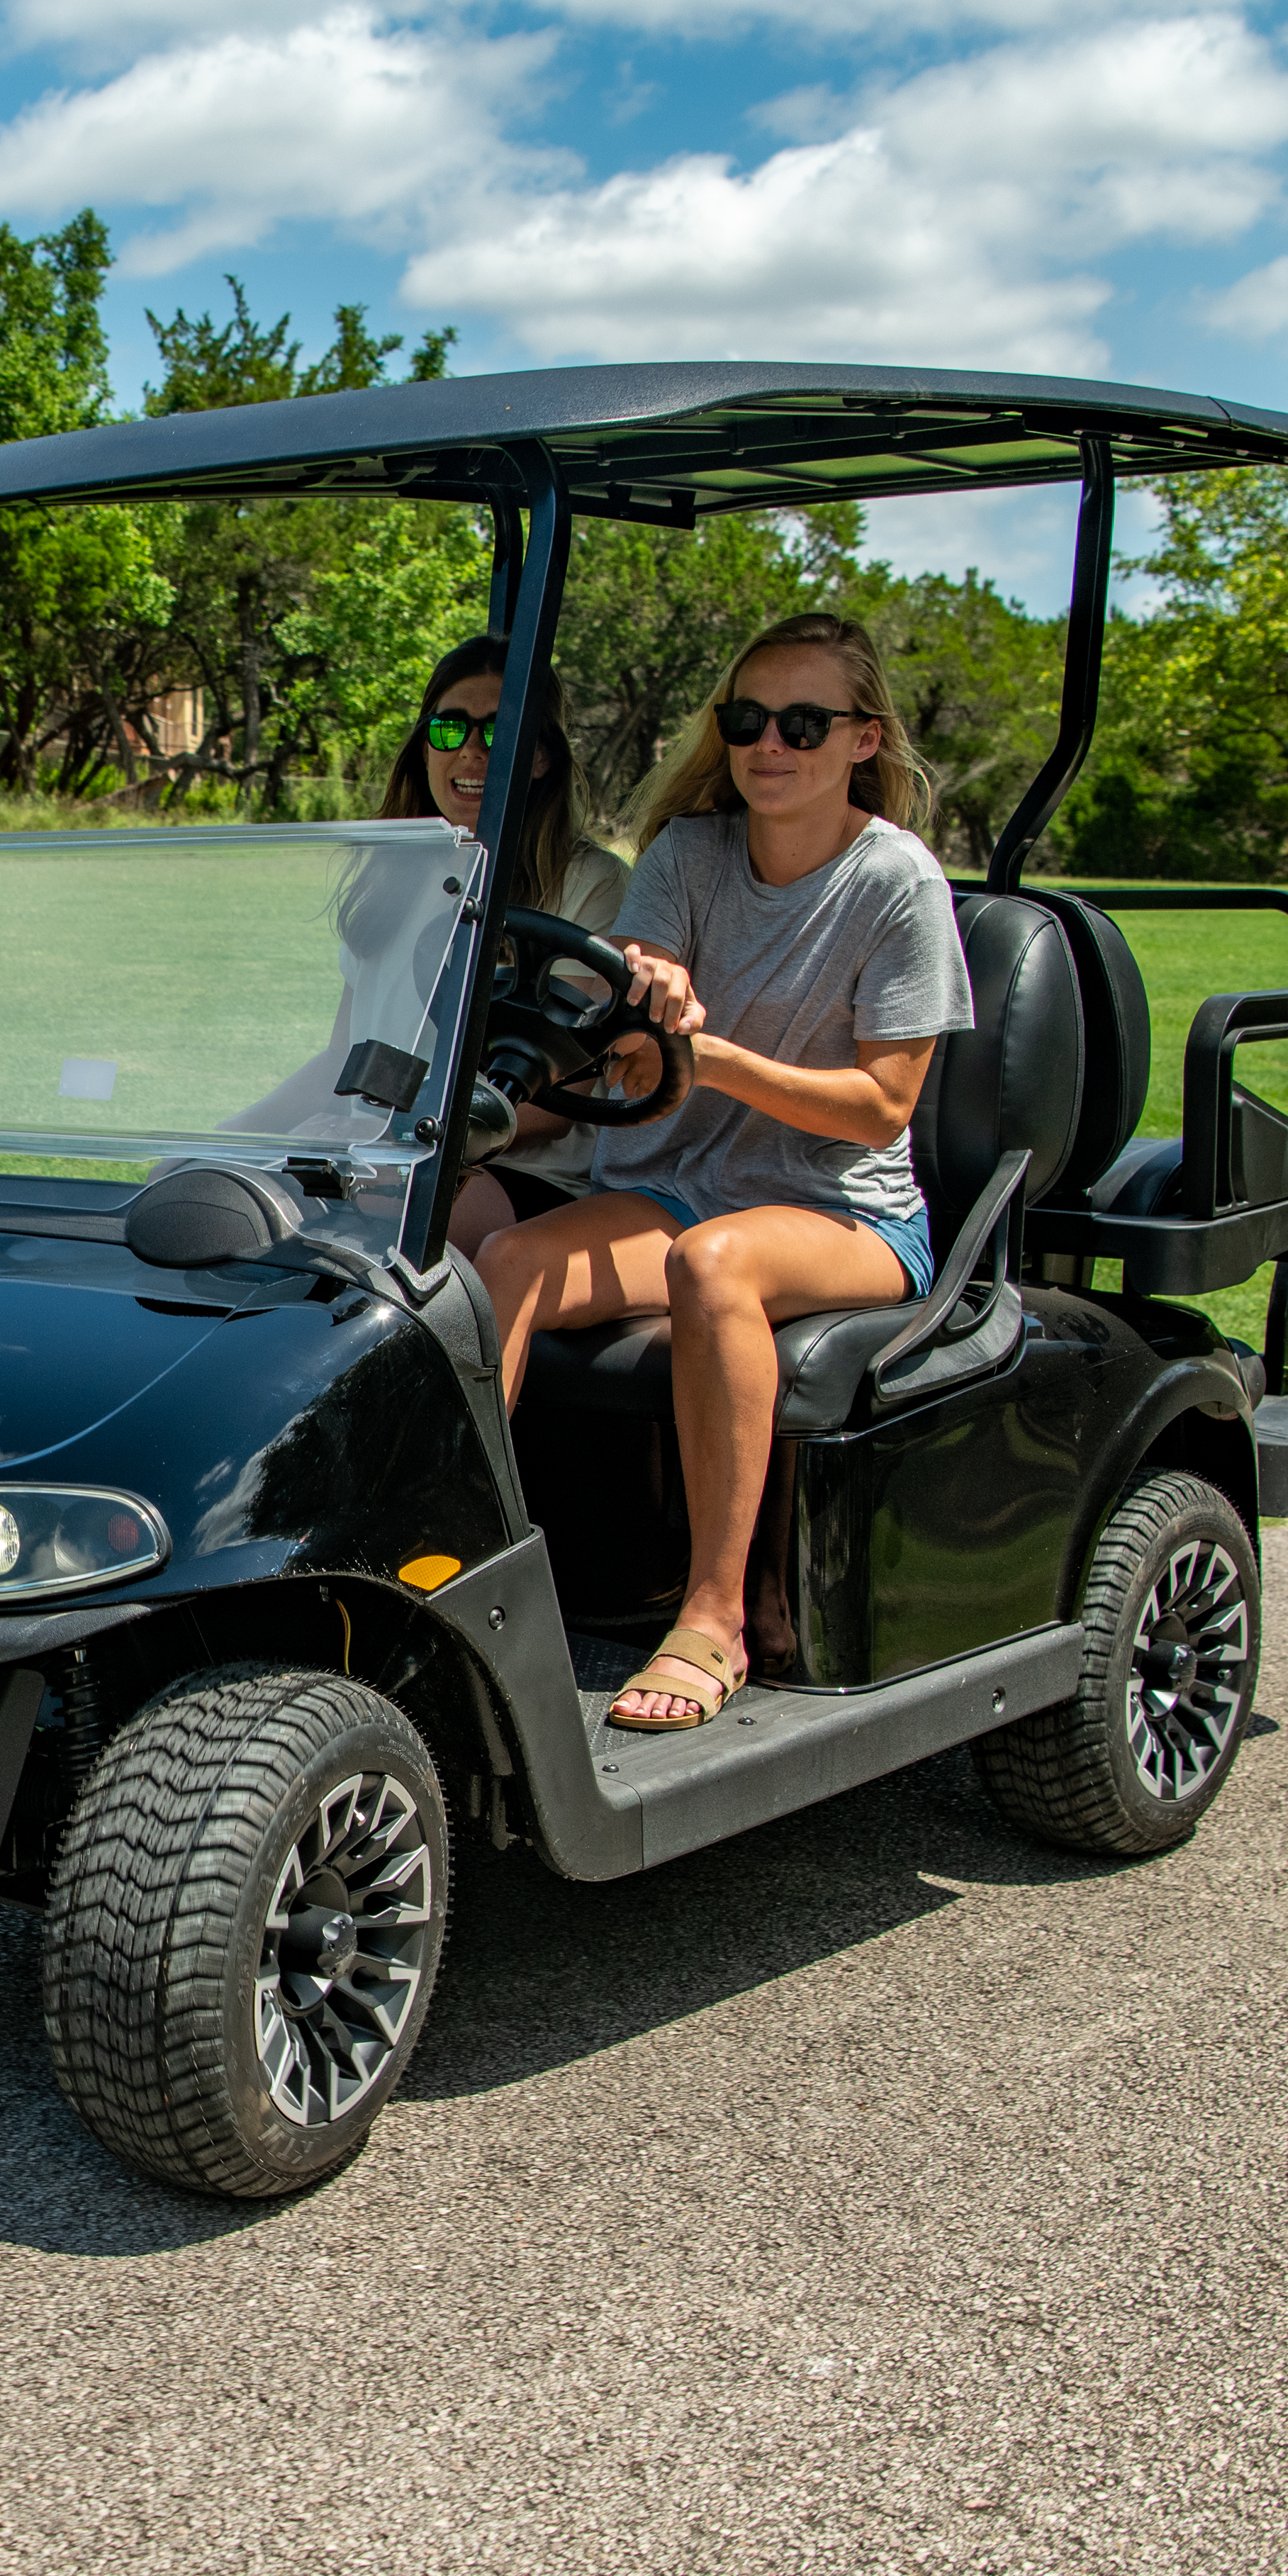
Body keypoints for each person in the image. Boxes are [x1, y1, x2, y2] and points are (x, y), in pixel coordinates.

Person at [470, 612, 970, 1736]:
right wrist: (648, 986)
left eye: (803, 722)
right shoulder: (691, 854)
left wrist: (720, 1061)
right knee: (506, 1258)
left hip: (844, 1214)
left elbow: (884, 1105)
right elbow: (645, 967)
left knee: (715, 1264)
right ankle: (464, 1574)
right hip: (679, 1183)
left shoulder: (898, 882)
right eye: (747, 720)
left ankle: (715, 1616)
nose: (768, 744)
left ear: (864, 741)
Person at [381, 639, 633, 1252]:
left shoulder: (591, 884)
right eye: (448, 729)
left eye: (498, 733)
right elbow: (348, 1052)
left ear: (542, 755)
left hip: (524, 1172)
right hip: (391, 1149)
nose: (469, 751)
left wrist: (402, 1134)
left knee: (375, 1233)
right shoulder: (394, 872)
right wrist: (233, 1136)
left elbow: (558, 1098)